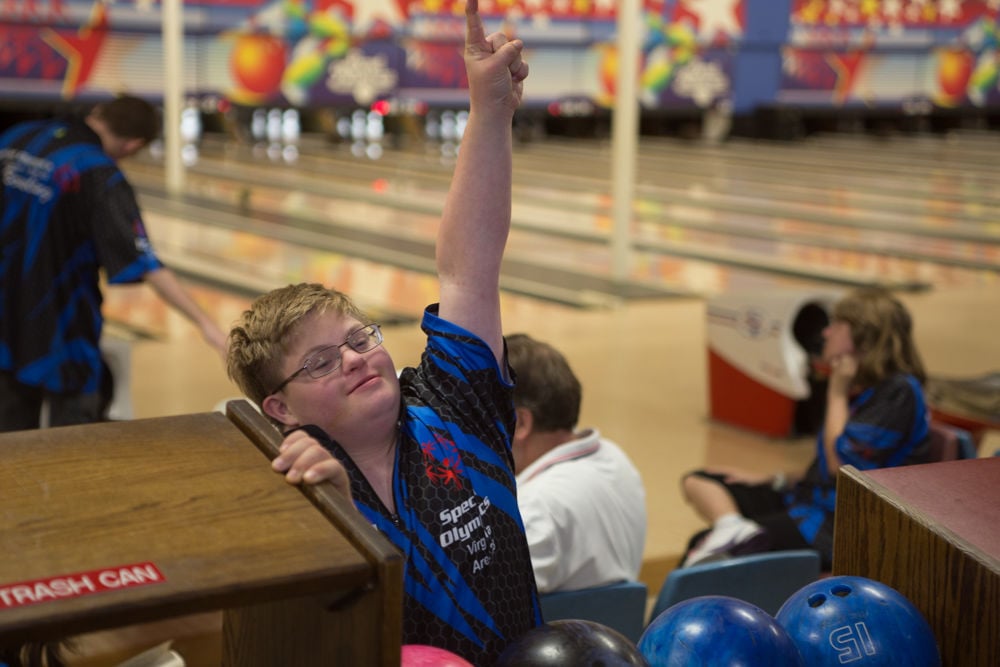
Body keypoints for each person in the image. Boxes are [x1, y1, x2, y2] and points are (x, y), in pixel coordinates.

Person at [225, 2, 537, 664]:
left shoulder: (456, 407)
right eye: (318, 362)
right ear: (277, 408)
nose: (355, 360)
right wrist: (337, 516)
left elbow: (468, 271)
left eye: (359, 338)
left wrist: (487, 112)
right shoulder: (282, 495)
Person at [0, 95, 228, 432]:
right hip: (61, 327)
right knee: (75, 439)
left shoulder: (16, 137)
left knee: (9, 441)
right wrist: (207, 325)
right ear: (133, 144)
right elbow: (146, 263)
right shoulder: (99, 174)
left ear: (98, 113)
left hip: (5, 317)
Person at [679, 287, 930, 571]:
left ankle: (735, 538)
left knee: (706, 554)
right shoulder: (865, 388)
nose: (826, 332)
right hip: (810, 501)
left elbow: (842, 469)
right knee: (703, 481)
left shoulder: (897, 393)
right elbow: (828, 469)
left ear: (863, 335)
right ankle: (733, 527)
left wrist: (836, 391)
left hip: (839, 525)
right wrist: (771, 479)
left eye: (837, 325)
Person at [506, 333, 647, 593]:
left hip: (565, 634)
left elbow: (488, 605)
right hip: (616, 631)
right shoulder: (616, 457)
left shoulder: (536, 506)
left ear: (521, 423)